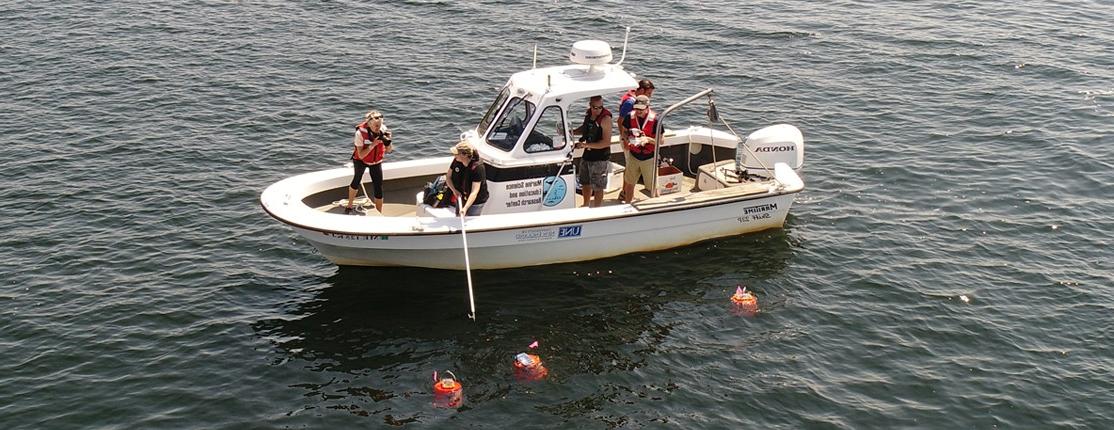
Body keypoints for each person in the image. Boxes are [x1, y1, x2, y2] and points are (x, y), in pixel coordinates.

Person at [345, 110, 393, 214]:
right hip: (360, 160)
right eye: (376, 125)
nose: (378, 128)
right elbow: (361, 154)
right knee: (356, 180)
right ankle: (349, 206)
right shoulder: (360, 134)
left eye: (379, 125)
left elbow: (389, 151)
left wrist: (389, 141)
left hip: (376, 162)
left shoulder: (383, 130)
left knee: (378, 187)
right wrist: (373, 145)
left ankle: (379, 213)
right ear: (369, 124)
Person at [619, 95, 663, 203]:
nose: (638, 111)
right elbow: (624, 131)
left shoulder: (656, 120)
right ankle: (628, 204)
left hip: (649, 158)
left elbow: (661, 141)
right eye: (636, 108)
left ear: (647, 107)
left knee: (652, 186)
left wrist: (648, 139)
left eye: (641, 109)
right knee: (629, 183)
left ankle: (656, 206)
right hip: (634, 155)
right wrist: (627, 139)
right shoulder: (630, 117)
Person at [571, 95, 613, 207]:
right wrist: (572, 132)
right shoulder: (588, 114)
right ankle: (585, 204)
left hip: (600, 157)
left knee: (598, 186)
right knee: (585, 182)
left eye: (600, 107)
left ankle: (597, 207)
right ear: (590, 106)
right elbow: (585, 128)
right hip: (587, 154)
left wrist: (585, 145)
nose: (597, 110)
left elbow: (606, 142)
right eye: (595, 107)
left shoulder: (605, 119)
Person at [446, 141, 489, 217]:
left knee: (470, 220)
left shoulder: (478, 167)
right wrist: (454, 190)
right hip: (461, 196)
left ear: (464, 155)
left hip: (476, 201)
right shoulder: (456, 160)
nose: (454, 155)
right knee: (458, 217)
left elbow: (474, 192)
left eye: (456, 153)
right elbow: (448, 177)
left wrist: (465, 208)